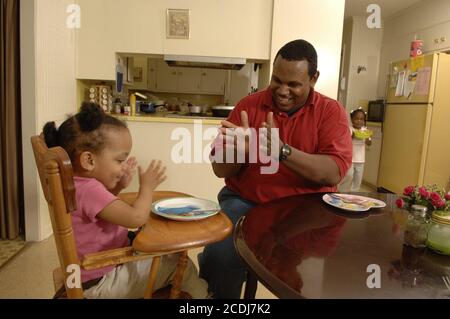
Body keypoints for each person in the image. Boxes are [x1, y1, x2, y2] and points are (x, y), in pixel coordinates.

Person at [198, 39, 353, 298]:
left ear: (313, 78)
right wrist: (240, 151)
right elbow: (220, 169)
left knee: (304, 273)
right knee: (219, 256)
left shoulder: (331, 112)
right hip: (245, 202)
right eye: (277, 80)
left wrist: (281, 150)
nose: (282, 91)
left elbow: (333, 172)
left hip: (306, 211)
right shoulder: (248, 106)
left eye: (293, 84)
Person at [43, 102, 208, 299]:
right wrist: (146, 187)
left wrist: (118, 187)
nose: (123, 167)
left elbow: (100, 210)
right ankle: (203, 299)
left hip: (88, 273)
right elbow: (136, 218)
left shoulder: (77, 184)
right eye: (119, 161)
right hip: (101, 280)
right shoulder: (90, 189)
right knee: (178, 263)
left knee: (156, 248)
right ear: (88, 160)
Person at [338, 108, 372, 192]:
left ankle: (354, 194)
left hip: (361, 160)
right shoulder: (349, 129)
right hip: (350, 158)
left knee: (358, 179)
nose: (359, 121)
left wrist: (368, 139)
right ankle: (342, 192)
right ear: (352, 119)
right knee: (348, 176)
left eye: (361, 119)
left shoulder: (365, 130)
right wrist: (352, 136)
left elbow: (369, 143)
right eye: (356, 118)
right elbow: (344, 141)